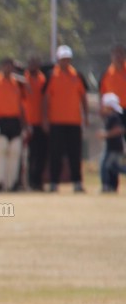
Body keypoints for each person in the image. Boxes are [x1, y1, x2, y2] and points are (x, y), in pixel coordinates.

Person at [42, 45, 88, 193]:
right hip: (56, 122)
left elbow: (83, 98)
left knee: (75, 154)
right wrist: (45, 119)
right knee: (55, 154)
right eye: (62, 59)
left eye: (67, 59)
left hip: (74, 121)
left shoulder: (77, 76)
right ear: (58, 60)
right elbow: (45, 99)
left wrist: (85, 116)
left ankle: (77, 182)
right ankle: (54, 182)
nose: (65, 62)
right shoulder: (51, 76)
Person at [0, 58, 28, 192]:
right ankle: (0, 182)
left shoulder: (18, 84)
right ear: (2, 67)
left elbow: (22, 104)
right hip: (0, 121)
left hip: (14, 121)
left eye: (11, 67)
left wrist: (24, 124)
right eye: (6, 66)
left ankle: (12, 183)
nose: (8, 69)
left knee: (15, 152)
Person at [23, 56, 48, 191]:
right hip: (28, 122)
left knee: (41, 154)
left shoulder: (43, 80)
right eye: (31, 63)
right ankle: (29, 182)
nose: (33, 66)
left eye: (35, 63)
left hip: (41, 122)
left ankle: (38, 182)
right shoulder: (22, 80)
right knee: (29, 155)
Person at [97, 92, 125, 193]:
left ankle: (106, 186)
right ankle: (112, 187)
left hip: (113, 147)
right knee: (114, 167)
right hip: (116, 147)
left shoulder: (113, 117)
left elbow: (119, 130)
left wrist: (105, 134)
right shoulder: (114, 116)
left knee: (104, 166)